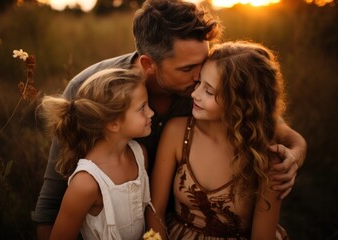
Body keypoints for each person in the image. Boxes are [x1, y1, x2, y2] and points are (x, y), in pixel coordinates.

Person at [32, 1, 307, 239]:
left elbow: (259, 119)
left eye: (204, 61)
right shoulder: (91, 93)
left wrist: (296, 151)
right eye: (188, 69)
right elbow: (53, 198)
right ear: (149, 65)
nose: (200, 76)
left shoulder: (204, 87)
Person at [146, 40, 293, 239]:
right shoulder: (178, 132)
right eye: (198, 83)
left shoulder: (265, 157)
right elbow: (156, 210)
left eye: (209, 91)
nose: (194, 94)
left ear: (240, 103)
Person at [38, 68, 154, 239]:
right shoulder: (86, 183)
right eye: (142, 108)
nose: (151, 112)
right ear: (113, 123)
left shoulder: (139, 155)